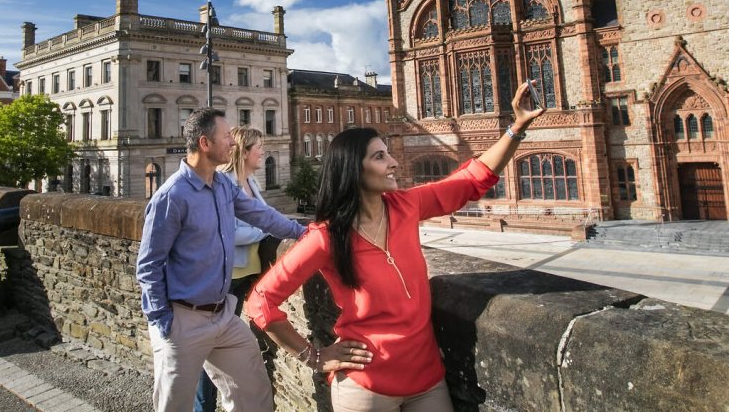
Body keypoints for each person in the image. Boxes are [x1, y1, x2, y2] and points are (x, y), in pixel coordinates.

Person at [246, 80, 544, 412]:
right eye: (380, 157)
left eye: (387, 154)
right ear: (353, 170)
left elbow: (471, 181)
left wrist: (516, 127)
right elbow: (260, 302)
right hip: (366, 388)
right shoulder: (325, 237)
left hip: (427, 380)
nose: (394, 163)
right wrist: (314, 356)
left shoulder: (405, 206)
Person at [136, 109, 306, 411]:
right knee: (173, 406)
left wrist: (304, 232)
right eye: (226, 135)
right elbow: (149, 265)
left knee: (253, 392)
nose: (232, 141)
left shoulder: (223, 185)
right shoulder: (171, 196)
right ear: (205, 142)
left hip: (222, 315)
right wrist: (164, 322)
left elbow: (261, 215)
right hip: (183, 319)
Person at [193, 126, 279, 412]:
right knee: (209, 348)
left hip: (245, 275)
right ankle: (202, 407)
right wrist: (261, 231)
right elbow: (228, 232)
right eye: (259, 147)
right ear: (244, 151)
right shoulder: (226, 182)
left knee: (218, 345)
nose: (263, 152)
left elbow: (266, 216)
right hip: (226, 278)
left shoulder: (250, 182)